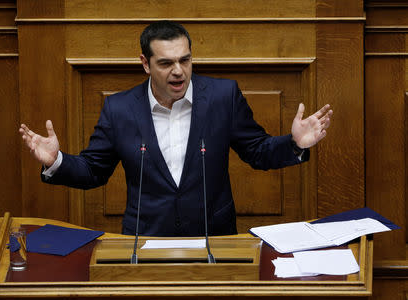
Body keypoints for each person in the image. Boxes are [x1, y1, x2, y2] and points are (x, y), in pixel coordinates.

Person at [19, 21, 332, 237]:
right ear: (145, 63)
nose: (179, 72)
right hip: (145, 242)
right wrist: (56, 161)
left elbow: (258, 152)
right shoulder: (119, 109)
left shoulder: (223, 98)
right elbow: (93, 171)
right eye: (166, 63)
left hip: (214, 239)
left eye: (185, 60)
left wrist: (294, 143)